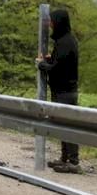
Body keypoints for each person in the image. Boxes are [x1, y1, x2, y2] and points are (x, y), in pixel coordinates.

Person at [37, 9, 81, 173]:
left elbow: (57, 69)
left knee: (68, 125)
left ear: (59, 22)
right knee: (63, 125)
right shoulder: (65, 41)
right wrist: (50, 60)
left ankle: (73, 161)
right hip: (62, 90)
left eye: (52, 21)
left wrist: (42, 65)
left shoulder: (65, 43)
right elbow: (60, 62)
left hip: (65, 92)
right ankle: (65, 158)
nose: (50, 24)